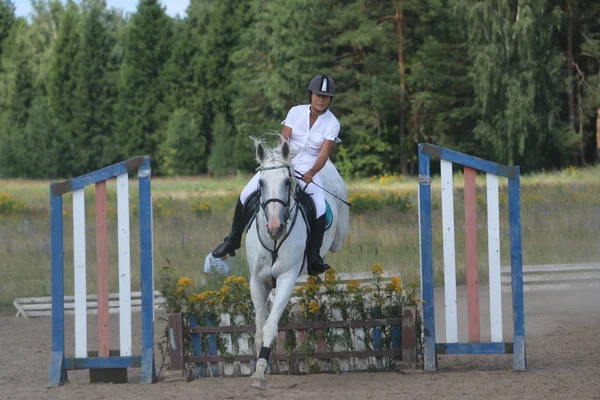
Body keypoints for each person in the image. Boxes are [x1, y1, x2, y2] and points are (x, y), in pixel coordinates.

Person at [211, 75, 340, 276]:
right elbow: (283, 139)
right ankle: (233, 240)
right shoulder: (295, 112)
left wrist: (312, 173)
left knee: (320, 206)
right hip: (283, 160)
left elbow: (323, 155)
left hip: (309, 167)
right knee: (245, 193)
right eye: (318, 95)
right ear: (311, 94)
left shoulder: (332, 123)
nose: (321, 100)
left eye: (325, 97)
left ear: (330, 99)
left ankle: (314, 255)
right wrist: (280, 161)